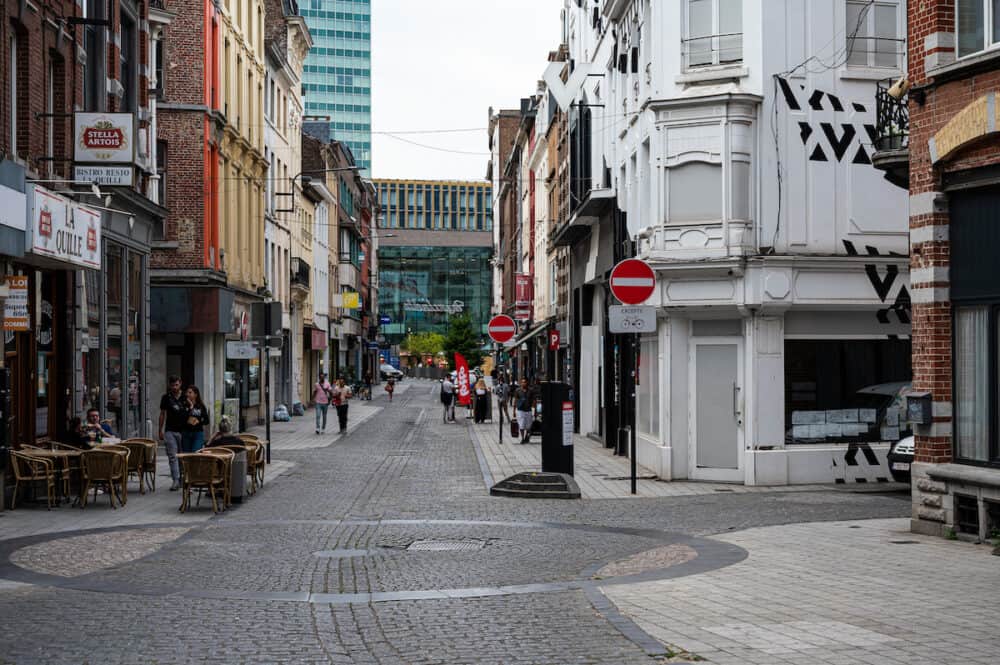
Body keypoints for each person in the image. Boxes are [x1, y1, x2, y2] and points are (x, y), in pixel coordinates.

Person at [159, 375, 187, 490]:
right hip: (170, 430)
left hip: (184, 431)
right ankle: (175, 480)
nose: (174, 387)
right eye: (172, 385)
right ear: (169, 385)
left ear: (180, 384)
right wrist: (160, 430)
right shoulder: (166, 397)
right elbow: (162, 414)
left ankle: (182, 478)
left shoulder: (185, 397)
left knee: (182, 456)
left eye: (176, 385)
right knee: (172, 456)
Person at [182, 385, 209, 453]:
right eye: (187, 392)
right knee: (187, 454)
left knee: (195, 453)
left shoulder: (201, 406)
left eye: (190, 392)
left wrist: (198, 421)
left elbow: (206, 420)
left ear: (196, 394)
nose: (187, 394)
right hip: (186, 432)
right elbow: (181, 418)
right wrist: (191, 406)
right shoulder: (184, 405)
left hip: (198, 433)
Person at [513, 377, 535, 444]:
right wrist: (514, 410)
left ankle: (526, 437)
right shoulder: (518, 390)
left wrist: (535, 410)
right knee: (521, 425)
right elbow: (515, 400)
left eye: (524, 382)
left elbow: (534, 401)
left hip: (528, 410)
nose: (523, 383)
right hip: (520, 410)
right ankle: (522, 438)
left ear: (527, 383)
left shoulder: (530, 390)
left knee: (528, 426)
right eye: (522, 382)